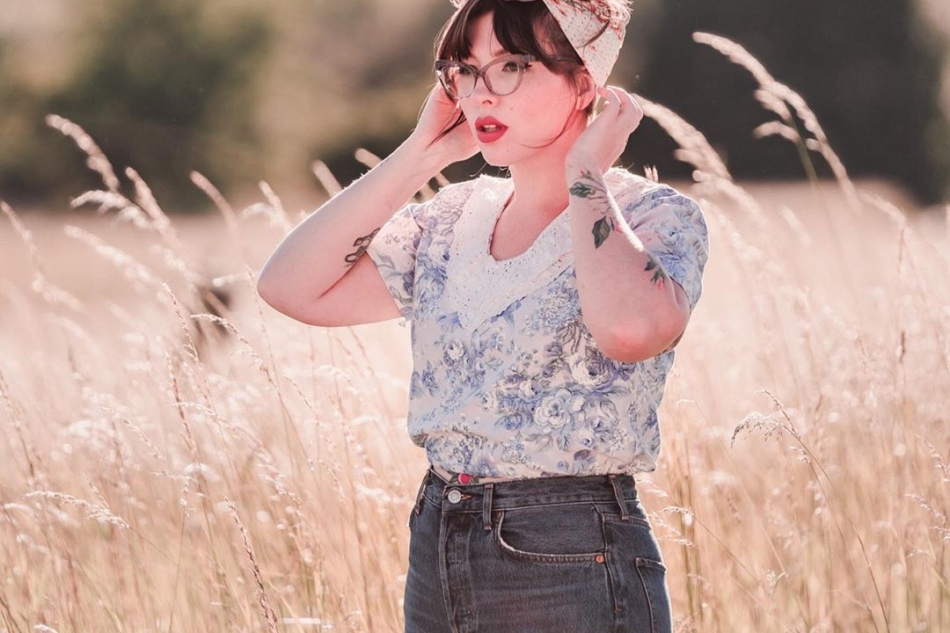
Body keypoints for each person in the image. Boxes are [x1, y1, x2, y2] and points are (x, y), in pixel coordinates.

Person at [257, 0, 709, 630]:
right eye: (465, 70)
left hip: (572, 553)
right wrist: (422, 153)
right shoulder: (447, 220)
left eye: (512, 65)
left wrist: (585, 172)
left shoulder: (652, 218)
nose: (481, 93)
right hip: (441, 530)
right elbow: (289, 287)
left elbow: (631, 331)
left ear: (584, 82)